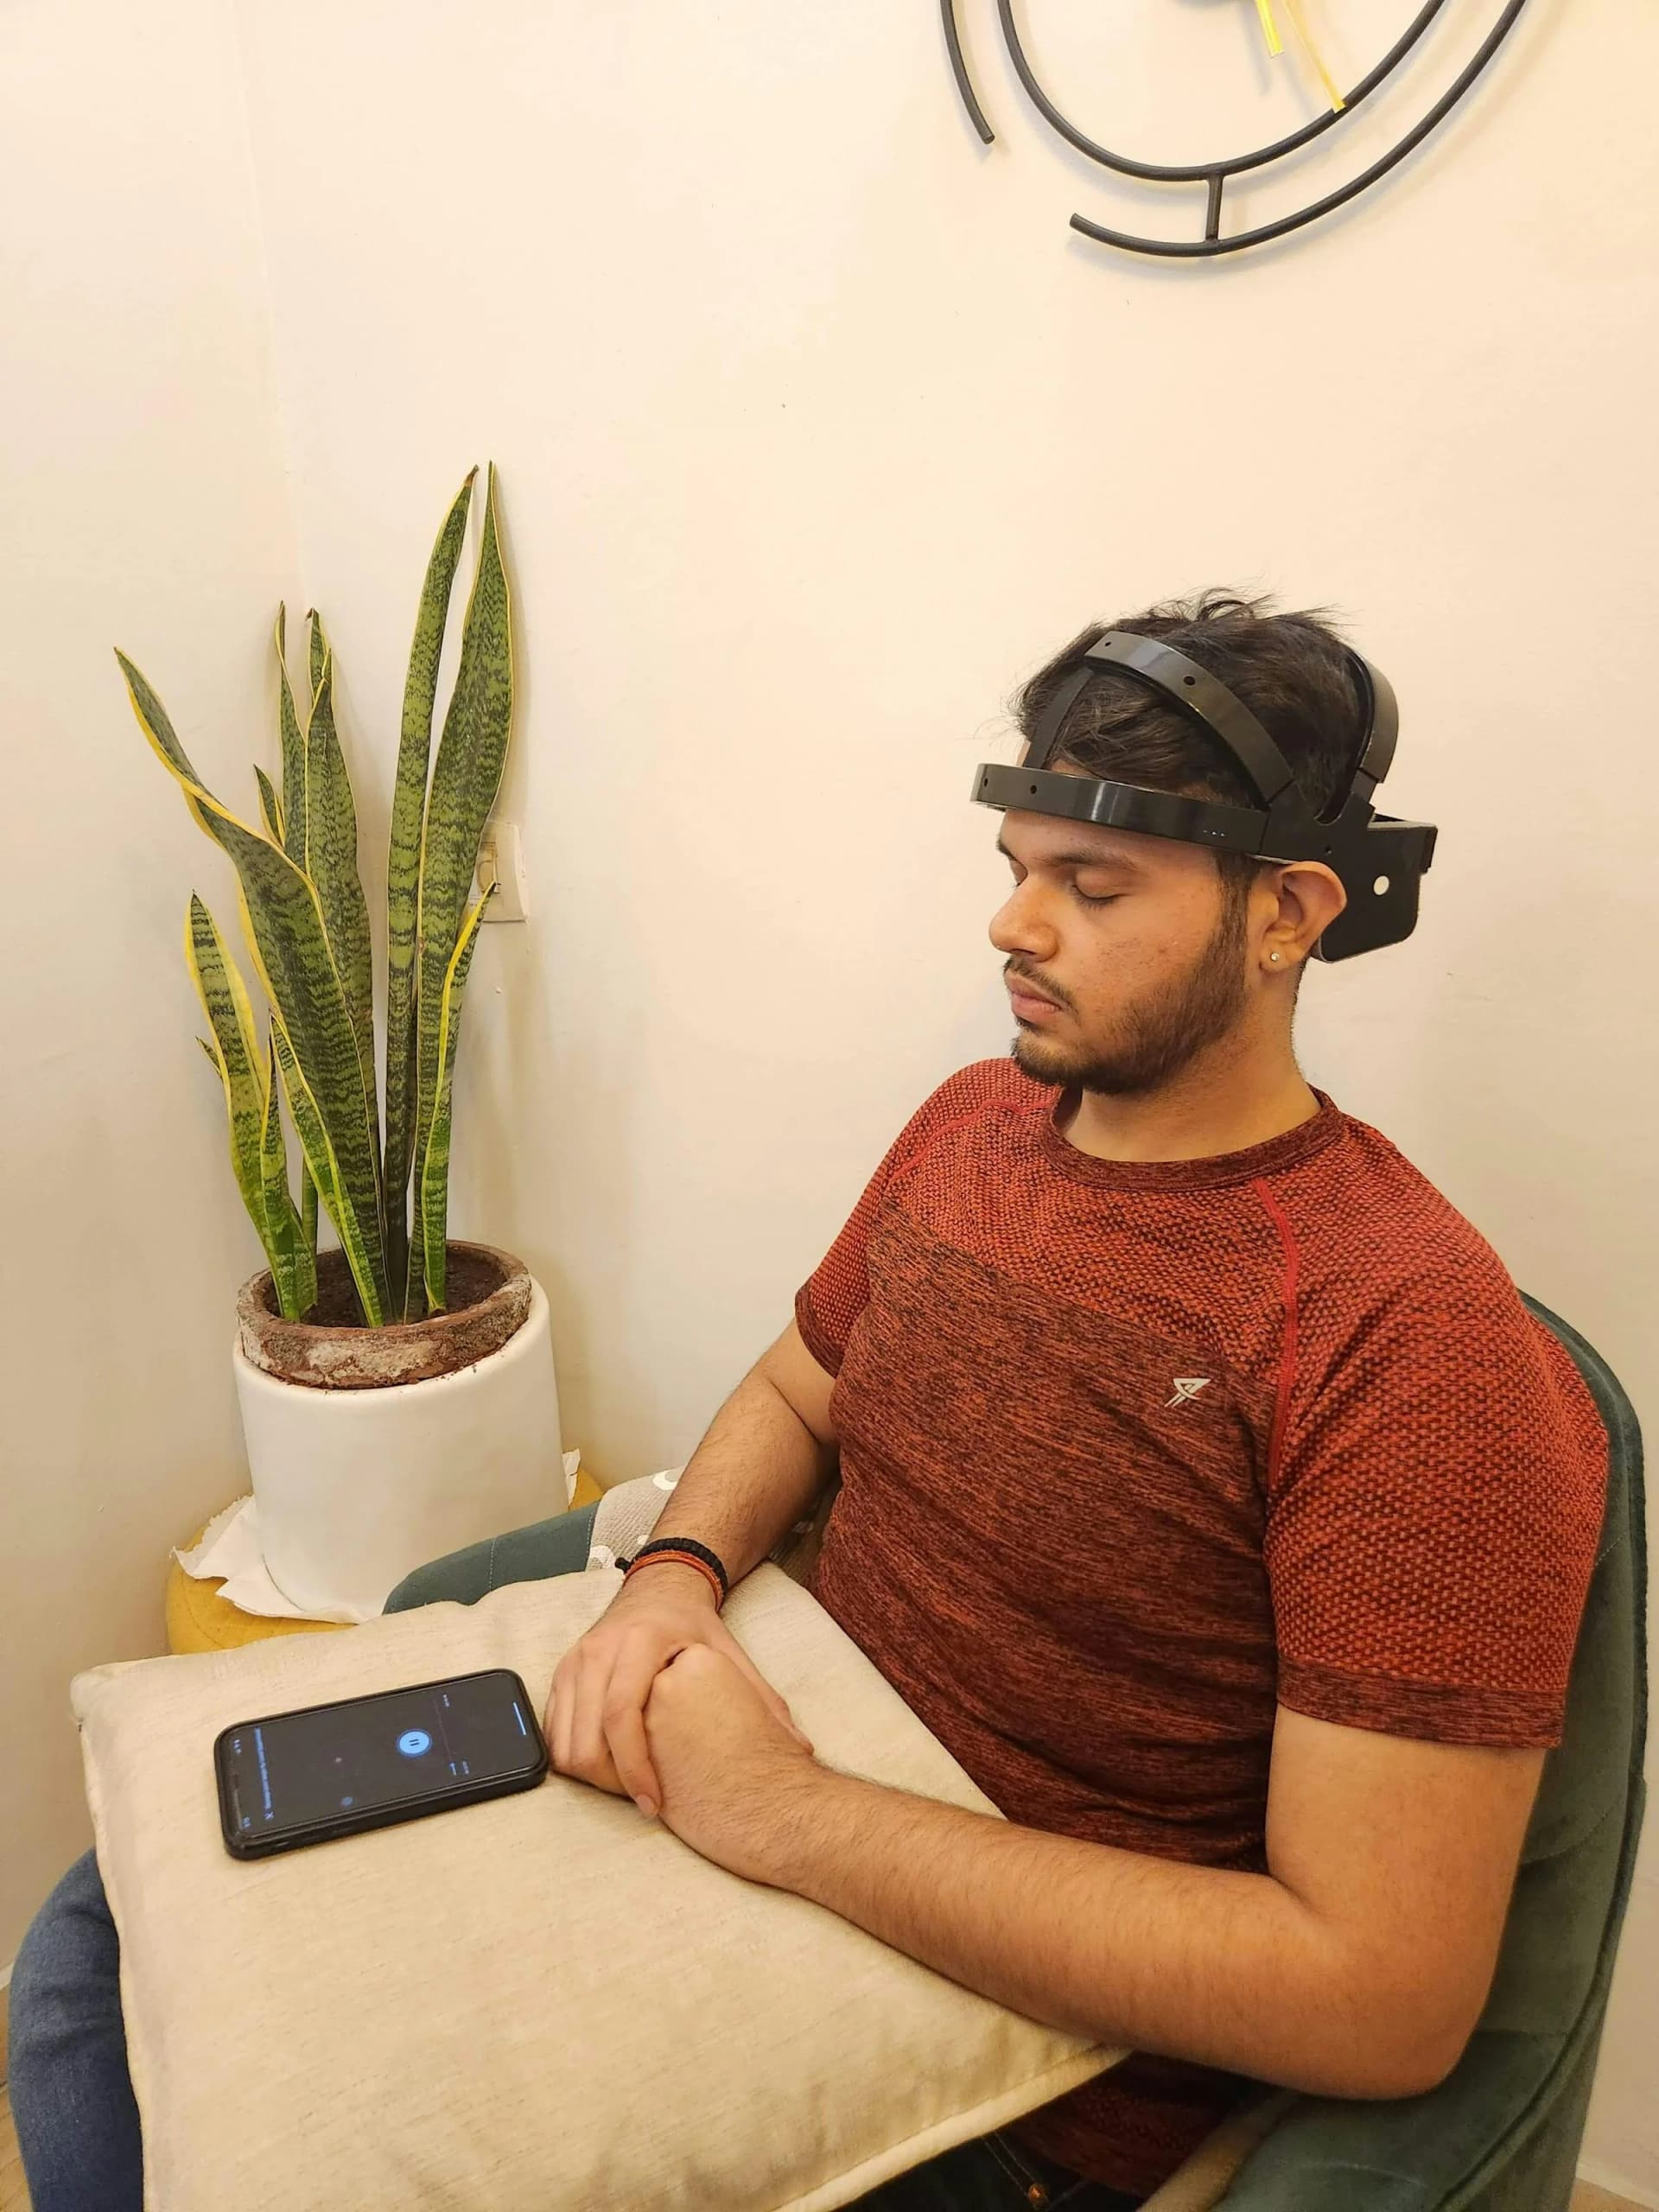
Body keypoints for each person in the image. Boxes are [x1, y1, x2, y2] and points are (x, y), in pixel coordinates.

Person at [10, 594, 1606, 2212]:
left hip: (1004, 2058)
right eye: (1016, 872)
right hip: (751, 1748)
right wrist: (670, 1583)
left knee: (300, 2154)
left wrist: (785, 1816)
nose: (1014, 928)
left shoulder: (1411, 1344)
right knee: (103, 1941)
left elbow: (1381, 1997)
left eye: (1092, 886)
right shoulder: (975, 1126)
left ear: (1290, 914)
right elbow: (799, 1382)